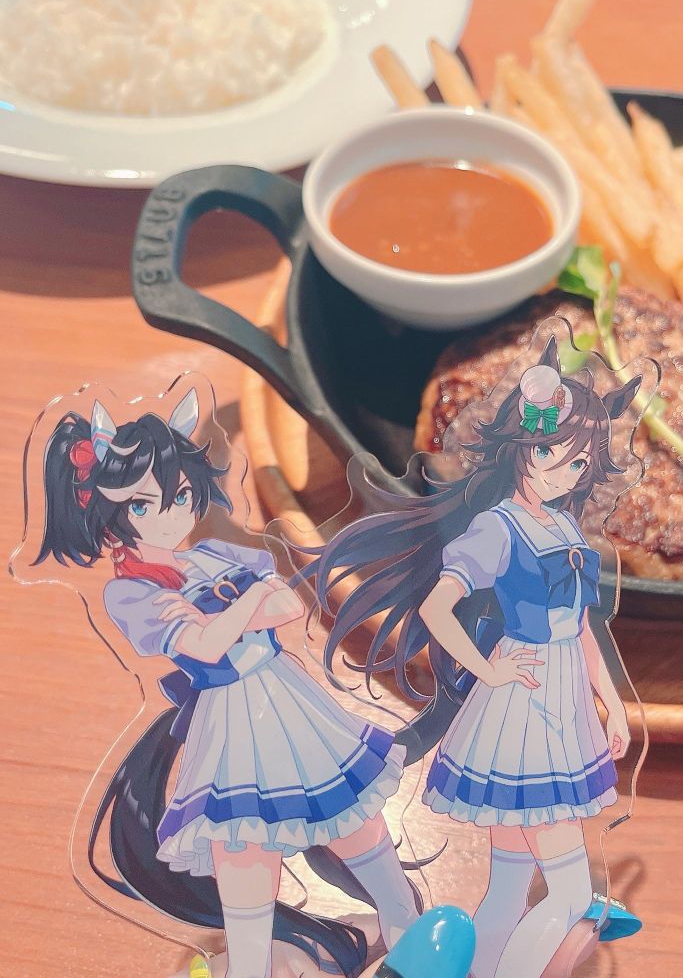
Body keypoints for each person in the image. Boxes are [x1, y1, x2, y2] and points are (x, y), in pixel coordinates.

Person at [33, 389, 419, 978]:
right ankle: (250, 965)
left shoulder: (215, 554)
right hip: (230, 717)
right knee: (243, 845)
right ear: (109, 516)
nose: (172, 512)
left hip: (286, 698)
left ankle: (406, 925)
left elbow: (286, 606)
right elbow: (207, 646)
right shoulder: (130, 592)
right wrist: (243, 609)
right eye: (146, 504)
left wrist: (232, 613)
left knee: (350, 812)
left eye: (181, 495)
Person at [309, 337, 642, 978]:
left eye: (578, 461)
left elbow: (581, 630)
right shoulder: (497, 527)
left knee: (510, 889)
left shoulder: (568, 529)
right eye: (549, 452)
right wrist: (489, 670)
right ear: (521, 447)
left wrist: (613, 704)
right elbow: (439, 607)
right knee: (572, 895)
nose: (562, 470)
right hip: (525, 710)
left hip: (564, 704)